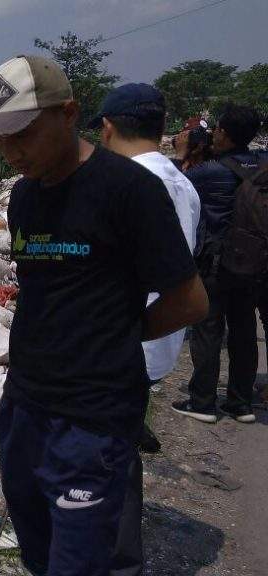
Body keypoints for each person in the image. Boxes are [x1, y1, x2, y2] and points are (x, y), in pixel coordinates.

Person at [0, 55, 208, 576]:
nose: (10, 152)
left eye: (22, 135)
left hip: (92, 420)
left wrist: (120, 335)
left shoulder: (128, 190)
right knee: (38, 554)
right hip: (25, 410)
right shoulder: (24, 197)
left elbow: (190, 300)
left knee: (78, 564)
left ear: (69, 113)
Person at [89, 83, 202, 576]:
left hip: (124, 345)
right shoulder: (183, 185)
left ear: (107, 128)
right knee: (117, 446)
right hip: (155, 340)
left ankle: (113, 559)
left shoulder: (122, 185)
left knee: (106, 458)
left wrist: (116, 331)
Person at [174, 103, 266, 424]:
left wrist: (188, 152)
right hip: (254, 263)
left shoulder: (210, 172)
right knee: (243, 330)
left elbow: (178, 186)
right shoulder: (263, 165)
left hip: (215, 263)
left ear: (223, 133)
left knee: (208, 330)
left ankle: (202, 402)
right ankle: (241, 404)